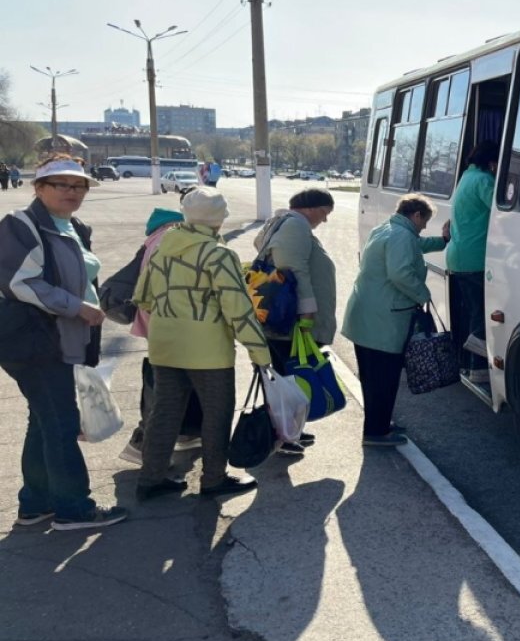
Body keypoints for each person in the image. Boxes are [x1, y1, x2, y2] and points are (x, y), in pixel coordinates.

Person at [0, 154, 127, 530]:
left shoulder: (73, 227)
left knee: (43, 421)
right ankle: (74, 508)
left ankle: (35, 504)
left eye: (79, 185)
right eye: (61, 184)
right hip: (34, 340)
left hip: (59, 339)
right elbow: (18, 283)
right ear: (38, 188)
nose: (72, 191)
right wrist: (76, 307)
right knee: (60, 423)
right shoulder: (20, 226)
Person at [133, 187, 271, 500]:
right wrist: (259, 352)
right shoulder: (218, 255)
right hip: (208, 351)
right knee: (216, 414)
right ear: (220, 219)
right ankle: (213, 479)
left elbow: (143, 296)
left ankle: (150, 479)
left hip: (165, 345)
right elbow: (238, 308)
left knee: (164, 414)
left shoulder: (163, 246)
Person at [342, 194, 449, 445]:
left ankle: (377, 424)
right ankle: (376, 433)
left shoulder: (387, 229)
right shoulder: (402, 236)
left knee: (373, 377)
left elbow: (417, 244)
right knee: (384, 377)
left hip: (367, 316)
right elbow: (400, 274)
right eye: (425, 221)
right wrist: (423, 294)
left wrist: (443, 240)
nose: (424, 227)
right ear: (416, 215)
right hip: (384, 320)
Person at [253, 188, 336, 456]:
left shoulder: (282, 223)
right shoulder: (295, 227)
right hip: (290, 318)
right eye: (324, 213)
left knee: (284, 375)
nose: (324, 220)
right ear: (311, 208)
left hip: (283, 316)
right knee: (288, 378)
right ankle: (284, 436)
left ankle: (288, 429)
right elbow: (294, 269)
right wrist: (307, 312)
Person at [117, 206, 203, 465]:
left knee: (174, 385)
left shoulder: (156, 239)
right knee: (166, 392)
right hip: (169, 325)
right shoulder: (170, 239)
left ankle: (186, 433)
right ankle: (142, 444)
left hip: (161, 323)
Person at [446, 141, 498, 385]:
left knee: (472, 311)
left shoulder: (467, 177)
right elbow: (501, 211)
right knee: (481, 314)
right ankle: (478, 368)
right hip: (475, 257)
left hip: (459, 256)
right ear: (492, 161)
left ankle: (468, 363)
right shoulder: (485, 181)